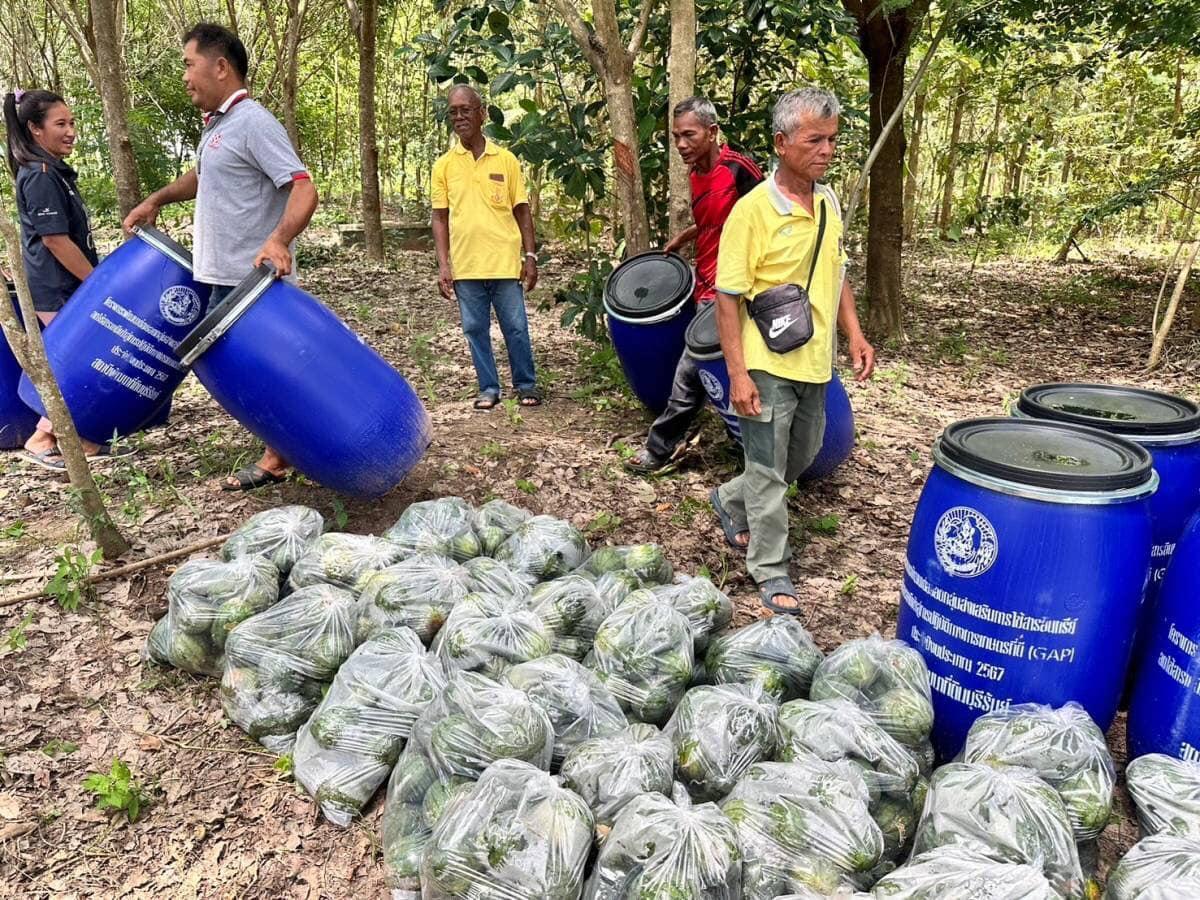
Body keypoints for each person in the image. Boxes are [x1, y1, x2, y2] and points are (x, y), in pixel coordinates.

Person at [122, 22, 318, 491]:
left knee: (255, 371)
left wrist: (278, 240)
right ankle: (280, 448)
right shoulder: (220, 127)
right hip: (222, 279)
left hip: (248, 286)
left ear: (222, 67)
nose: (185, 76)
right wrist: (157, 200)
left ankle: (281, 455)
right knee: (233, 373)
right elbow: (200, 177)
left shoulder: (253, 121)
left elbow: (303, 187)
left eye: (190, 65)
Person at [708, 87, 876, 614]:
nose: (826, 150)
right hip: (766, 359)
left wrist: (854, 332)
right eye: (814, 140)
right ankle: (771, 568)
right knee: (767, 467)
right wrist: (738, 374)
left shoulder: (826, 202)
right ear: (782, 143)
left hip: (814, 359)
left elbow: (838, 270)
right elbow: (727, 299)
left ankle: (728, 498)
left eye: (831, 139)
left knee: (798, 457)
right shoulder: (753, 212)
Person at [626, 97, 763, 473]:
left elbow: (766, 225)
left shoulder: (740, 170)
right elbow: (714, 221)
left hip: (732, 291)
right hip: (703, 283)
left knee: (689, 373)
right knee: (705, 371)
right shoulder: (695, 172)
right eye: (676, 137)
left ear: (712, 132)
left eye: (690, 135)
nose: (681, 144)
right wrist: (685, 236)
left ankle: (660, 449)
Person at [4, 88, 115, 469]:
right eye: (61, 124)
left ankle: (75, 438)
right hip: (55, 287)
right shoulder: (40, 175)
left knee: (76, 359)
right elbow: (54, 239)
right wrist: (96, 282)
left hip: (66, 285)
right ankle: (41, 439)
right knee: (75, 361)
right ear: (35, 129)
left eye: (72, 123)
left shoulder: (53, 171)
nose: (71, 131)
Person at [431, 85, 541, 410]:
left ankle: (526, 385)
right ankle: (488, 388)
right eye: (453, 111)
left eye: (466, 109)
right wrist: (444, 264)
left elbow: (522, 210)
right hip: (466, 265)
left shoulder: (505, 160)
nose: (460, 116)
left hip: (505, 262)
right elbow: (439, 218)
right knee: (475, 328)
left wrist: (530, 256)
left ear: (482, 113)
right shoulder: (444, 166)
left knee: (516, 327)